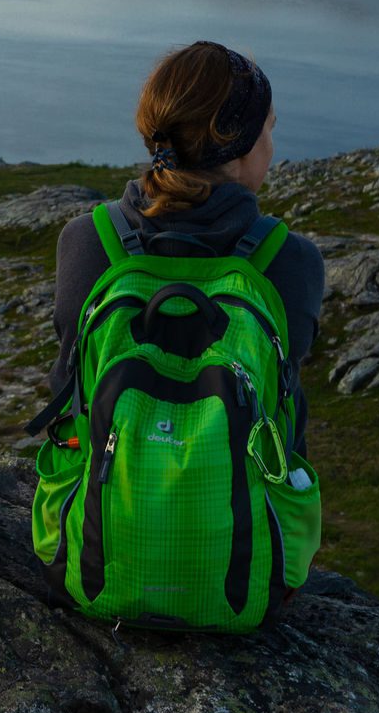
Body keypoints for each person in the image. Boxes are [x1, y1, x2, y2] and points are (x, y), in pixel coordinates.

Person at [48, 41, 324, 456]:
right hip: (243, 516)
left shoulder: (85, 239)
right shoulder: (292, 260)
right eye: (270, 128)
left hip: (100, 512)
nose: (272, 143)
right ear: (242, 145)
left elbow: (68, 391)